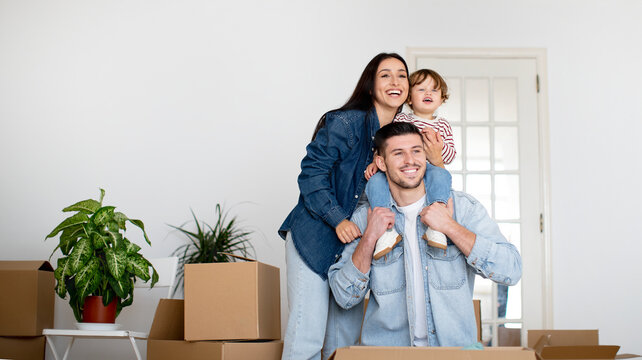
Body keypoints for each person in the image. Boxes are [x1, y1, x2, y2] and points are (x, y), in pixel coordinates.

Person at [328, 122, 522, 347]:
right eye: (398, 153)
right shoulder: (366, 217)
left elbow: (511, 270)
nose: (410, 160)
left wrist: (449, 226)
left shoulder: (462, 208)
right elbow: (344, 297)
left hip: (453, 353)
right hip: (389, 354)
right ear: (381, 162)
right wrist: (370, 237)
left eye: (416, 151)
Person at [278, 53, 412, 360]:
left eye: (402, 75)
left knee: (342, 347)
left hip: (356, 249)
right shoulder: (346, 123)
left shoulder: (401, 136)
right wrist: (337, 219)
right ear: (369, 85)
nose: (395, 82)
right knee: (307, 338)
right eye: (385, 75)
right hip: (315, 238)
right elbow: (311, 176)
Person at [365, 69, 456, 257]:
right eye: (421, 89)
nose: (428, 93)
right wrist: (376, 159)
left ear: (442, 99)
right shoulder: (403, 118)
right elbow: (386, 142)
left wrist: (438, 149)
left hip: (429, 168)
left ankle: (436, 225)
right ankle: (385, 231)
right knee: (374, 181)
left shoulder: (442, 125)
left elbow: (450, 155)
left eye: (434, 90)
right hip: (401, 172)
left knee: (442, 175)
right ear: (409, 98)